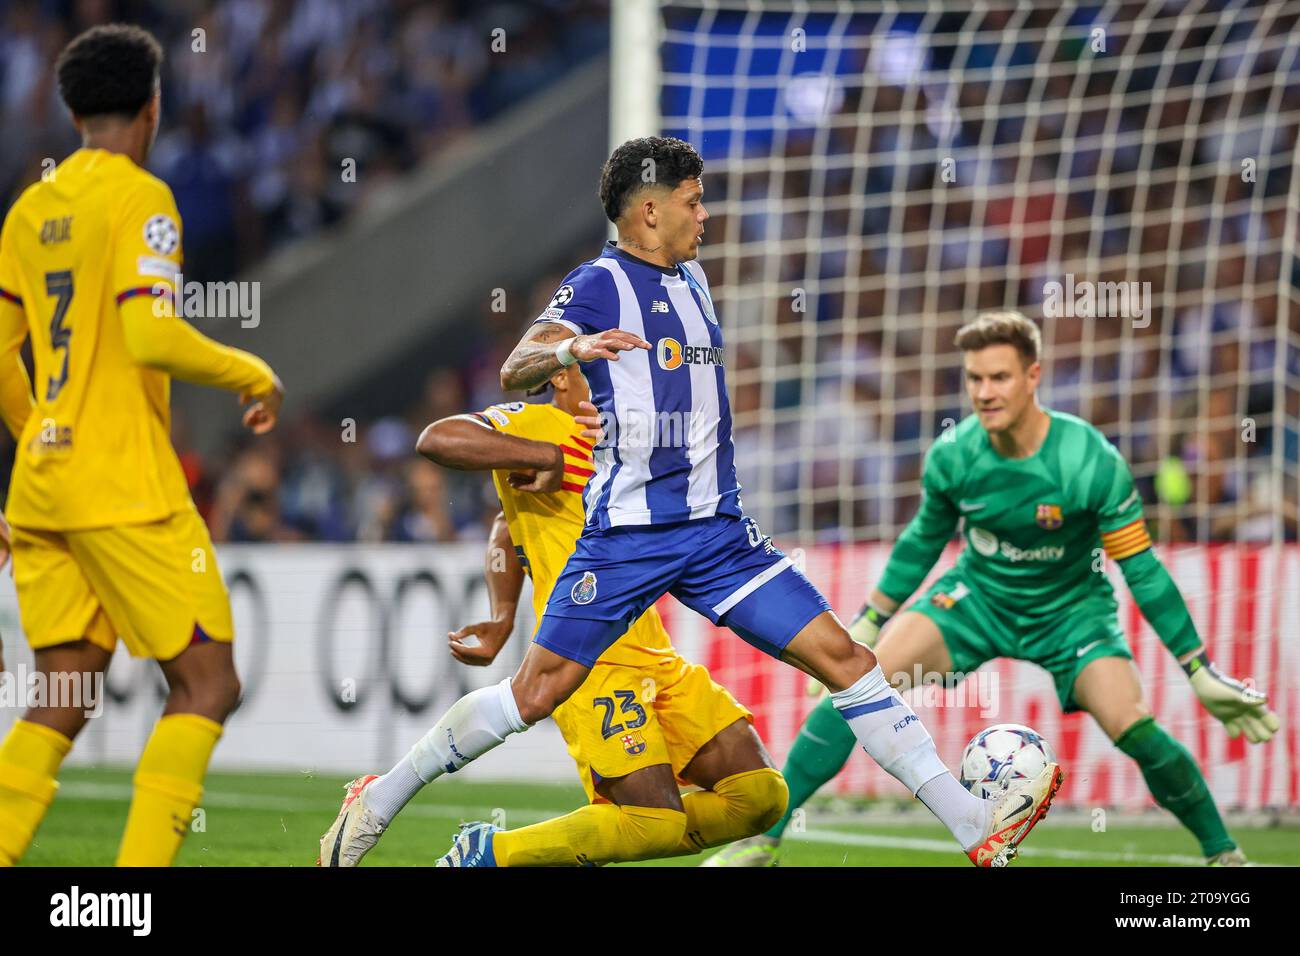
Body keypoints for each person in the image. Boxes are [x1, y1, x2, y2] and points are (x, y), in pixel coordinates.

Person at [322, 137, 1063, 868]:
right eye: (692, 200)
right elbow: (520, 364)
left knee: (845, 658)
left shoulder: (694, 280)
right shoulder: (598, 284)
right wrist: (572, 352)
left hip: (716, 534)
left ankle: (973, 829)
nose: (704, 214)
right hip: (628, 537)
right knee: (534, 695)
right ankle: (382, 798)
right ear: (648, 211)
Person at [704, 311, 1278, 868]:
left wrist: (1198, 668)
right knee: (855, 681)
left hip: (1072, 612)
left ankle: (1223, 855)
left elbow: (1144, 571)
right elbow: (921, 543)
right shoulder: (955, 456)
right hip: (976, 599)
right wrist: (868, 624)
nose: (984, 392)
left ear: (1033, 376)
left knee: (1136, 729)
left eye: (999, 377)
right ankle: (764, 844)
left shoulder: (1089, 461)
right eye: (975, 378)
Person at [0, 24, 284, 867]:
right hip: (123, 484)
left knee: (66, 685)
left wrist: (41, 437)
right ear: (153, 106)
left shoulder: (30, 206)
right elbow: (150, 333)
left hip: (44, 487)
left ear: (72, 108)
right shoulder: (140, 198)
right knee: (207, 682)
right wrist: (248, 370)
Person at [319, 364, 788, 866]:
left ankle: (468, 833)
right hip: (590, 660)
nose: (621, 383)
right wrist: (546, 455)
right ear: (561, 376)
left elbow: (505, 522)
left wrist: (501, 614)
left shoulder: (621, 435)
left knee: (761, 798)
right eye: (605, 372)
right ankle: (488, 854)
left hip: (654, 653)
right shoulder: (535, 422)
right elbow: (439, 438)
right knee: (651, 820)